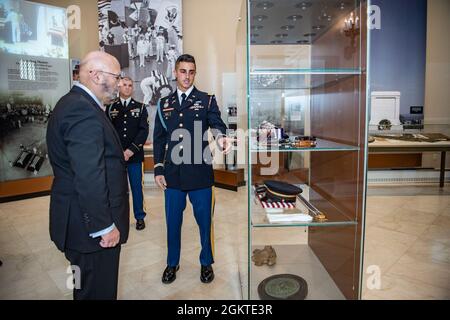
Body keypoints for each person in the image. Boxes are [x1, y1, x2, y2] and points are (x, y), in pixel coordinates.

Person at [46, 51, 129, 300]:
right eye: (116, 76)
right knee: (96, 292)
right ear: (95, 75)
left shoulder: (75, 103)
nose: (119, 82)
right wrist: (104, 226)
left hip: (82, 228)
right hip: (91, 233)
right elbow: (89, 175)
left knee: (85, 290)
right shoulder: (82, 110)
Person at [153, 54, 232, 284]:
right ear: (175, 73)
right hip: (173, 175)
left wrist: (221, 138)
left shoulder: (206, 100)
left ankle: (206, 263)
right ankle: (172, 263)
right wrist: (158, 168)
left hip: (200, 173)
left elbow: (217, 124)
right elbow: (159, 139)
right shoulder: (164, 104)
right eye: (183, 71)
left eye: (191, 72)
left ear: (194, 74)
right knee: (172, 223)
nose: (187, 76)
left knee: (205, 223)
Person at [106, 77, 149, 230]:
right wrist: (118, 152)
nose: (127, 88)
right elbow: (108, 132)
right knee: (118, 189)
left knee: (137, 188)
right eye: (124, 85)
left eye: (130, 85)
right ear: (119, 87)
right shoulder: (111, 108)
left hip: (135, 156)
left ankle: (139, 217)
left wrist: (130, 151)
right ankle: (119, 218)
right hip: (116, 158)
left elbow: (143, 132)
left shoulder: (141, 107)